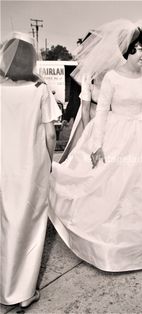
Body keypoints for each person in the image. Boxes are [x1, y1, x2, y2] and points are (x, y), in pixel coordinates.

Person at [49, 20, 142, 272]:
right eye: (141, 49)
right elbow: (100, 112)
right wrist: (97, 144)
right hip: (115, 133)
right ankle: (109, 239)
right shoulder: (111, 77)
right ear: (129, 49)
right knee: (110, 185)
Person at [0, 32, 61, 307]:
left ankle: (5, 288)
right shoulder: (40, 90)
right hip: (31, 167)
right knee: (32, 225)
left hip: (4, 165)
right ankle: (24, 293)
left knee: (5, 223)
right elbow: (50, 134)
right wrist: (50, 162)